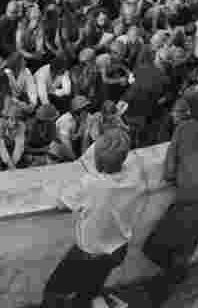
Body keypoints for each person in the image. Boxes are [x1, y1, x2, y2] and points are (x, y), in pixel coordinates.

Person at [42, 129, 146, 308]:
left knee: (54, 291)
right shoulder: (135, 177)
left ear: (98, 158)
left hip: (90, 254)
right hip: (118, 249)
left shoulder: (92, 184)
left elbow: (63, 203)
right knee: (89, 289)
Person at [142, 86, 198, 306]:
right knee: (183, 249)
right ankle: (173, 278)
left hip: (190, 203)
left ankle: (165, 288)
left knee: (154, 248)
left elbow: (168, 172)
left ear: (189, 110)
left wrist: (182, 174)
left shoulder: (182, 130)